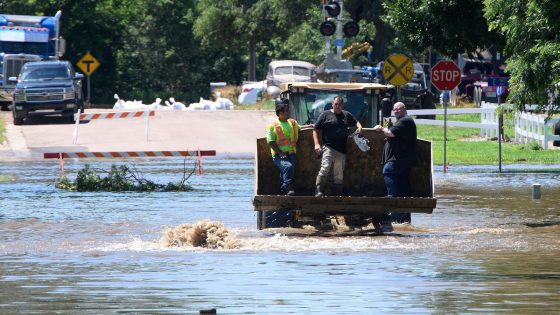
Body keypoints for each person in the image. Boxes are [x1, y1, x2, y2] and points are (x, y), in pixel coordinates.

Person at [373, 101, 417, 223]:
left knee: (388, 171)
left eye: (399, 109)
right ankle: (402, 218)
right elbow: (396, 134)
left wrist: (381, 128)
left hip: (399, 158)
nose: (396, 111)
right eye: (395, 109)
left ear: (404, 109)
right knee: (402, 184)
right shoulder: (402, 122)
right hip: (403, 159)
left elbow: (391, 133)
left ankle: (393, 203)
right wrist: (390, 126)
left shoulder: (405, 120)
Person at [313, 95, 362, 197]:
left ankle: (337, 196)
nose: (337, 106)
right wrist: (317, 144)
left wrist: (359, 127)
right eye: (336, 104)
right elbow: (315, 129)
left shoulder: (346, 115)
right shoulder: (325, 115)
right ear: (332, 104)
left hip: (342, 150)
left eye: (339, 104)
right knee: (325, 168)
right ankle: (318, 191)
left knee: (338, 174)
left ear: (342, 105)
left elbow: (356, 121)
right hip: (328, 147)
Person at [266, 98, 300, 196]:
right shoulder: (272, 126)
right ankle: (288, 188)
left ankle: (282, 192)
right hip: (279, 155)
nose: (288, 113)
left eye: (288, 111)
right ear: (279, 113)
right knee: (287, 167)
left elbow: (300, 129)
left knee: (286, 173)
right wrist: (280, 152)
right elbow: (270, 141)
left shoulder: (293, 123)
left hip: (292, 154)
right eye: (286, 111)